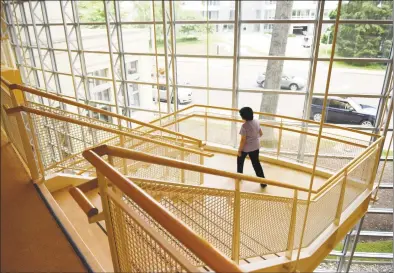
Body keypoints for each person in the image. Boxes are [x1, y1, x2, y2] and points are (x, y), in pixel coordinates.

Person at [237, 107, 267, 188]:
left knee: (240, 160)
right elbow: (261, 133)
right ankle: (263, 182)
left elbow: (243, 141)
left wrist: (239, 151)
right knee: (256, 164)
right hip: (256, 146)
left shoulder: (244, 126)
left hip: (246, 147)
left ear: (244, 116)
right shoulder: (256, 121)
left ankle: (239, 176)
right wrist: (254, 137)